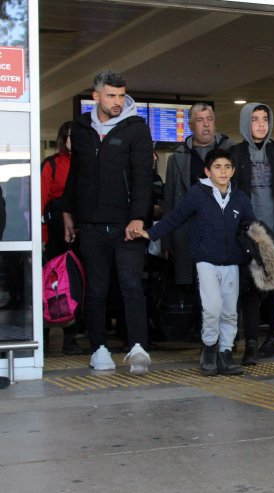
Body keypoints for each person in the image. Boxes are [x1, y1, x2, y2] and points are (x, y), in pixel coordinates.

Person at [62, 70, 153, 374]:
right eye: (111, 95)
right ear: (96, 96)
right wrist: (67, 212)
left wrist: (139, 217)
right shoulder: (81, 128)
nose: (117, 101)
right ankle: (99, 348)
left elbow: (143, 177)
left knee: (131, 285)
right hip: (90, 224)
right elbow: (75, 175)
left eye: (121, 95)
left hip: (127, 225)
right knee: (97, 289)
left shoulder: (137, 128)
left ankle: (139, 347)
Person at [136, 149, 254, 376]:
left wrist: (265, 251)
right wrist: (151, 233)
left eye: (227, 167)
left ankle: (225, 354)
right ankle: (209, 349)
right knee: (212, 309)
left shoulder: (240, 197)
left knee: (230, 311)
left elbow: (252, 227)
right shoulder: (197, 194)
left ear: (233, 170)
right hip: (206, 261)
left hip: (232, 263)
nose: (223, 171)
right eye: (217, 167)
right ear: (207, 171)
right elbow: (175, 217)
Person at [231, 102, 274, 364]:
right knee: (250, 289)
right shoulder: (235, 153)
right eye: (255, 119)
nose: (261, 124)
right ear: (245, 123)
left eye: (265, 119)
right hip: (247, 233)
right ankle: (250, 343)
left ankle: (273, 335)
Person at [162, 103, 234, 286]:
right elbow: (169, 202)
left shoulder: (231, 153)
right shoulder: (177, 158)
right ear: (191, 125)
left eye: (210, 119)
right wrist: (166, 242)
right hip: (186, 235)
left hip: (221, 234)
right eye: (200, 120)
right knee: (189, 291)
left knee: (221, 293)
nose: (206, 125)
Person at [40, 121, 82, 355]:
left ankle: (71, 338)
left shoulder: (87, 164)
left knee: (75, 284)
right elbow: (40, 202)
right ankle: (44, 337)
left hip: (81, 229)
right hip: (55, 232)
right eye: (69, 136)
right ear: (62, 139)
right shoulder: (52, 165)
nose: (73, 140)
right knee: (53, 284)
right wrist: (43, 236)